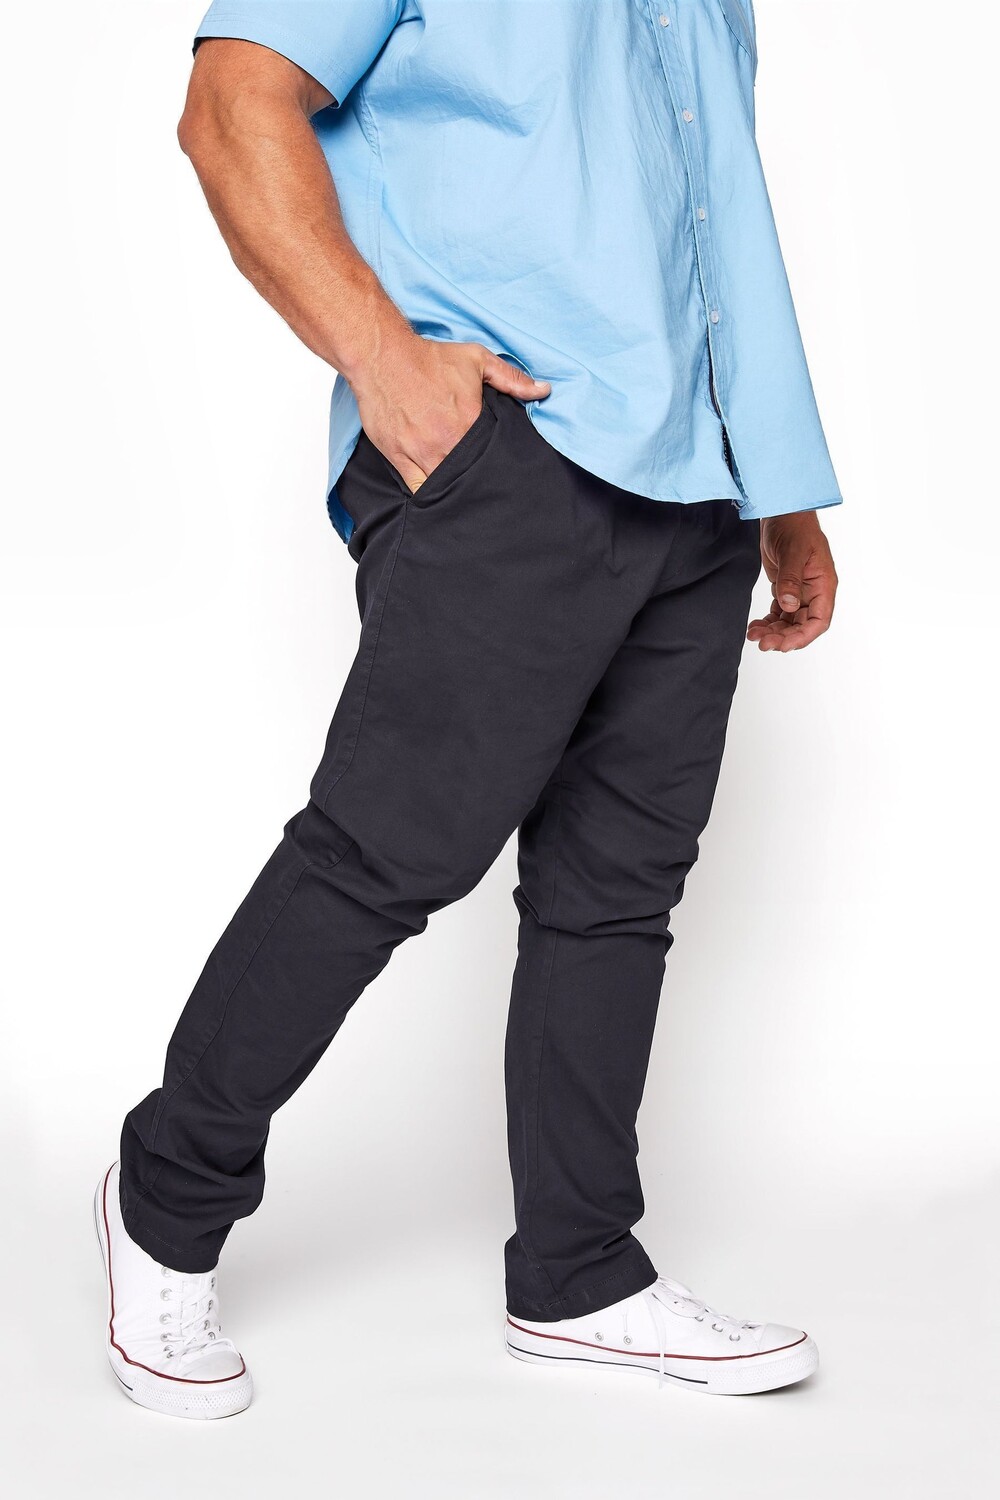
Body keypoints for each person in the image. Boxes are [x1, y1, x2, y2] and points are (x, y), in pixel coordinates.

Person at [95, 0, 840, 1419]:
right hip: (514, 445)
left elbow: (712, 212)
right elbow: (232, 102)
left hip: (698, 477)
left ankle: (579, 1273)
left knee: (618, 891)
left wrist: (779, 485)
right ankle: (163, 1199)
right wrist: (387, 362)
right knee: (384, 854)